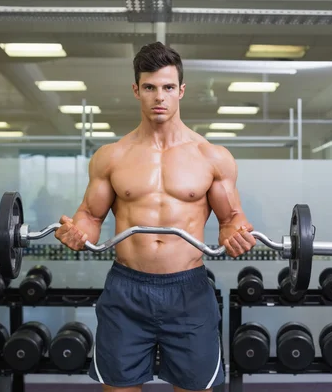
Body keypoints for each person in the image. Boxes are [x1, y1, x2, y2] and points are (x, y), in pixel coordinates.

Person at [54, 42, 257, 392]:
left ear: (181, 90)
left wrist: (235, 238)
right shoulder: (111, 156)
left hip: (189, 291)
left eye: (167, 87)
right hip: (126, 289)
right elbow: (89, 216)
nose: (158, 97)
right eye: (149, 87)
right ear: (136, 90)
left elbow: (231, 221)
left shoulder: (212, 156)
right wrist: (76, 233)